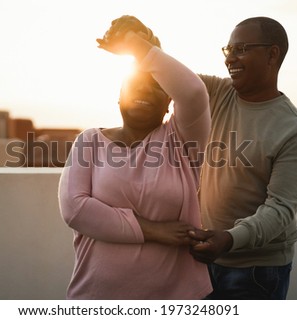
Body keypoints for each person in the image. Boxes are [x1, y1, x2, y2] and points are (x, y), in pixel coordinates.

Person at [58, 15, 212, 299]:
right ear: (119, 96)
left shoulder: (181, 140)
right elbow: (75, 210)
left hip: (176, 298)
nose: (144, 89)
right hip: (97, 297)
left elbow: (192, 91)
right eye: (135, 83)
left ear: (169, 103)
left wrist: (134, 44)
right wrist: (154, 231)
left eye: (155, 85)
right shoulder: (90, 140)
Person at [186, 17, 297, 299]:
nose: (230, 58)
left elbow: (280, 209)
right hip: (205, 260)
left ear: (272, 54)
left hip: (257, 272)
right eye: (227, 50)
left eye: (241, 49)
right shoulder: (220, 93)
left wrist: (229, 239)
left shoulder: (295, 129)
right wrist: (142, 45)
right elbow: (173, 78)